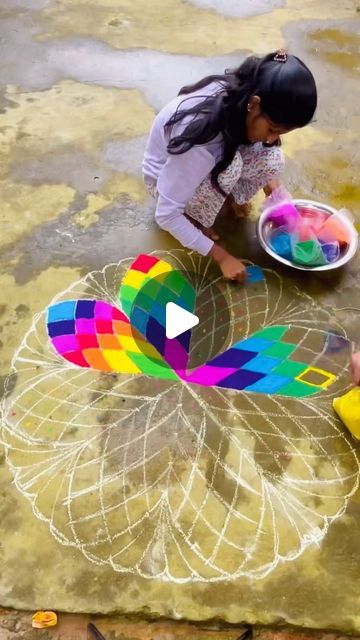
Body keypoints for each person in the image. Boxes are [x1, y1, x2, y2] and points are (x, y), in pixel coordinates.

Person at [142, 50, 317, 282]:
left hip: (198, 163)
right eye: (272, 129)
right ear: (254, 104)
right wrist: (222, 257)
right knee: (229, 169)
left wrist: (285, 209)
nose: (272, 138)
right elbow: (166, 215)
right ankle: (194, 216)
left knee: (272, 158)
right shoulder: (202, 144)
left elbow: (264, 157)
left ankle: (224, 196)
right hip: (164, 182)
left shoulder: (243, 95)